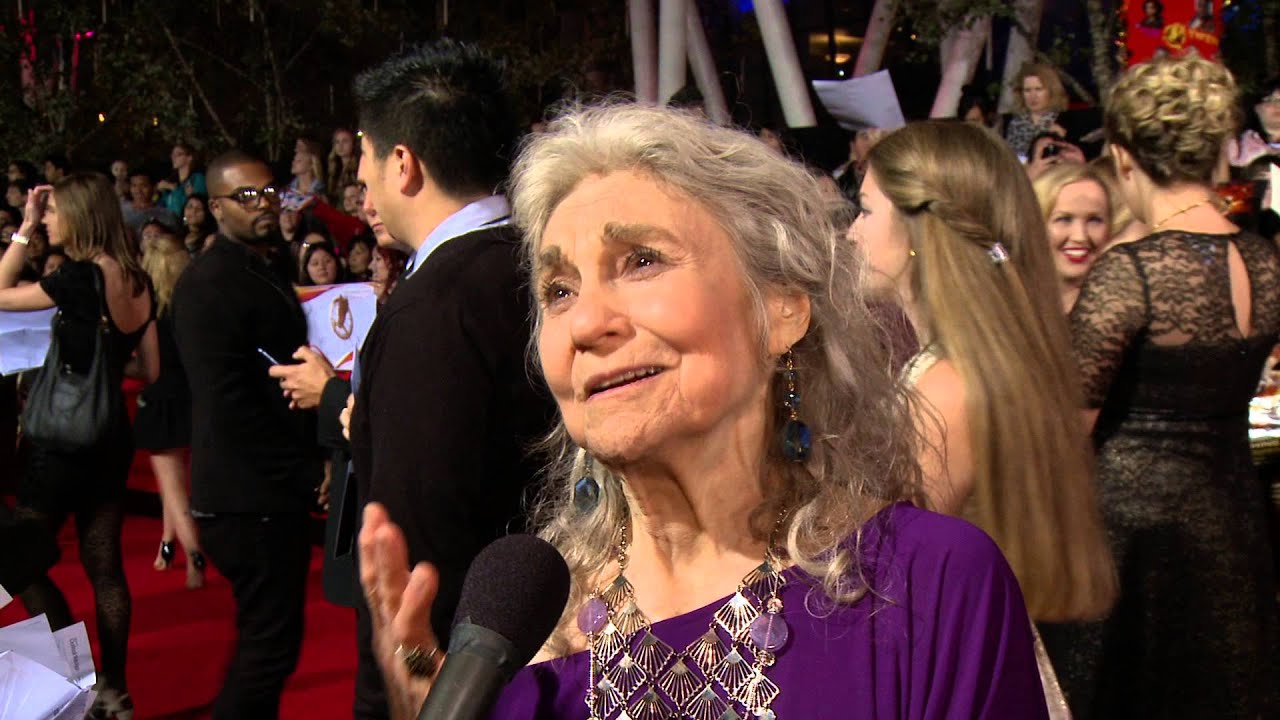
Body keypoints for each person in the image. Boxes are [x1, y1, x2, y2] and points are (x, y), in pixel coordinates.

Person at [357, 103, 1051, 720]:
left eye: (641, 262)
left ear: (780, 309)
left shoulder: (931, 586)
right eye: (559, 290)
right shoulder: (534, 637)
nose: (586, 322)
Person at [1044, 54, 1280, 719]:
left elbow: (1069, 425)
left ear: (1122, 157)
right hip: (1232, 516)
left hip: (1127, 530)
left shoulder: (1133, 270)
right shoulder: (1265, 261)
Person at [853, 122, 1116, 713]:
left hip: (951, 676)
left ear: (917, 234)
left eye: (864, 212)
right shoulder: (975, 364)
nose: (849, 234)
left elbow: (892, 577)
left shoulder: (948, 386)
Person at [344, 40, 559, 720]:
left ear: (401, 162)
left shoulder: (434, 309)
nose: (362, 182)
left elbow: (416, 555)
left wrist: (399, 690)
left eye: (364, 157)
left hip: (463, 678)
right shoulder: (545, 262)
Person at [0, 173, 160, 720]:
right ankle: (114, 690)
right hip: (110, 438)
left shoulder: (77, 278)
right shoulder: (138, 280)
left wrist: (20, 232)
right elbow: (150, 367)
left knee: (18, 559)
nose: (45, 220)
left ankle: (71, 672)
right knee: (105, 566)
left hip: (59, 445)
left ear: (78, 216)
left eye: (50, 213)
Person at [171, 151, 320, 719]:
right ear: (214, 207)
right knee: (267, 650)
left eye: (270, 192)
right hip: (245, 496)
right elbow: (231, 407)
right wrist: (309, 475)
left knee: (271, 648)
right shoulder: (211, 284)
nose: (265, 205)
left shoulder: (259, 266)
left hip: (263, 489)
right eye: (247, 197)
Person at [135, 226, 205, 590]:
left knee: (171, 485)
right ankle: (168, 544)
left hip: (161, 398)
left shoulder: (147, 309)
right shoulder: (191, 304)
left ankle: (195, 554)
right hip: (190, 397)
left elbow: (146, 365)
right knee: (174, 482)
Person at [1032, 163, 1114, 311]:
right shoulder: (1010, 302)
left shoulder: (1121, 307)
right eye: (1064, 219)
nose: (1080, 236)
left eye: (1094, 220)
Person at [1005, 63, 1070, 160]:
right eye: (1027, 90)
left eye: (1038, 89)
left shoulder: (1065, 121)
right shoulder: (1013, 123)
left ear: (1051, 91)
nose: (1033, 96)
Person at [158, 143, 207, 217]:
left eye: (178, 154)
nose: (173, 157)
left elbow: (197, 205)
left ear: (189, 158)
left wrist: (173, 188)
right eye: (172, 154)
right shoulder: (171, 181)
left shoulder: (197, 179)